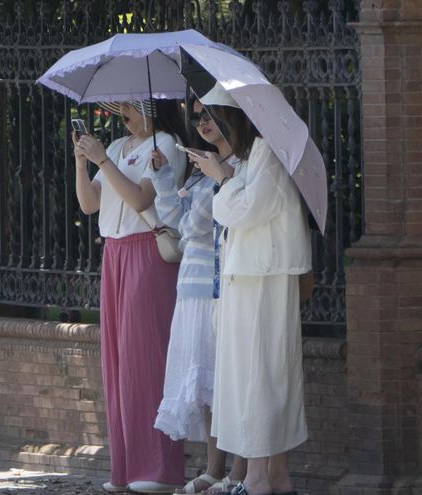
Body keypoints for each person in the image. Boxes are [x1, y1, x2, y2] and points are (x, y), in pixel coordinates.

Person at [187, 84, 311, 495]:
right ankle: (273, 476)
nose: (208, 125)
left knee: (263, 375)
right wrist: (227, 176)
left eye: (215, 117)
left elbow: (245, 211)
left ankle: (260, 478)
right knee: (254, 375)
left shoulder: (269, 155)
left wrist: (222, 178)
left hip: (264, 279)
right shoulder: (253, 157)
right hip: (249, 277)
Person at [73, 99, 187, 494]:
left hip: (146, 252)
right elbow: (89, 204)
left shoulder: (166, 144)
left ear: (152, 107)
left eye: (132, 103)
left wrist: (102, 161)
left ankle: (160, 469)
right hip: (115, 253)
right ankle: (125, 468)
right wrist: (82, 162)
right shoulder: (120, 147)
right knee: (118, 361)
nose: (123, 109)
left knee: (148, 358)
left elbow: (141, 199)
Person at [149, 96, 247, 495]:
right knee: (203, 382)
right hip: (188, 288)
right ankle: (212, 466)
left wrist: (199, 198)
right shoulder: (199, 170)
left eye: (210, 116)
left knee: (227, 379)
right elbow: (173, 219)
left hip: (216, 285)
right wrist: (162, 177)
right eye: (198, 118)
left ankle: (238, 471)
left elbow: (201, 223)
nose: (203, 123)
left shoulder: (232, 167)